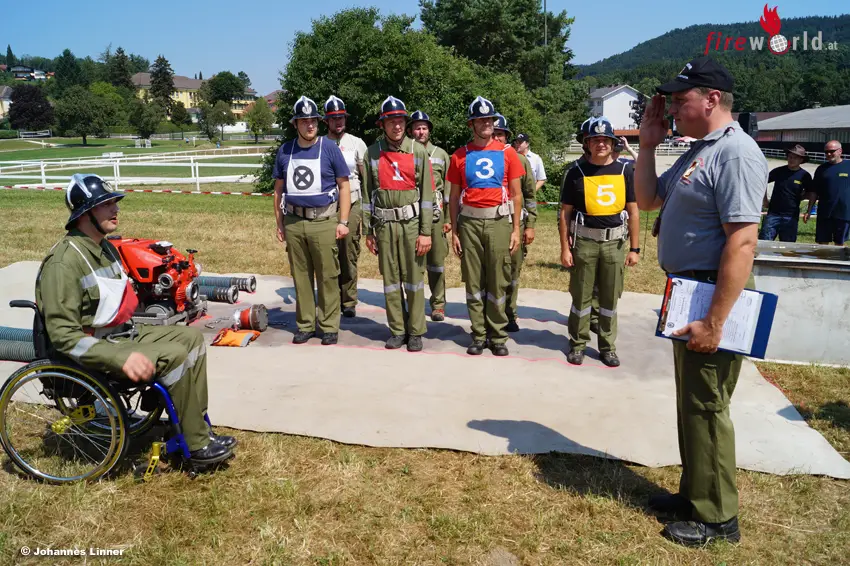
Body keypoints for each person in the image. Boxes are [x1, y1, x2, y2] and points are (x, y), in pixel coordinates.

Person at [634, 56, 767, 547]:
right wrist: (647, 146)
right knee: (693, 401)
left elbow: (743, 241)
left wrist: (715, 321)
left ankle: (717, 518)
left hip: (713, 295)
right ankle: (695, 492)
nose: (671, 107)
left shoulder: (735, 153)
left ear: (711, 99)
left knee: (708, 405)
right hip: (688, 292)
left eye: (679, 99)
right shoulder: (701, 150)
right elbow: (648, 200)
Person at [35, 174, 237, 467]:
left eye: (115, 202)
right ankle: (196, 445)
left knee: (192, 338)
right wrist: (119, 359)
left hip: (119, 333)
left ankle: (193, 427)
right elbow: (64, 336)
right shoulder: (64, 263)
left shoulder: (104, 248)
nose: (115, 209)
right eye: (106, 204)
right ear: (85, 213)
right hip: (95, 348)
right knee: (175, 355)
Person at [558, 116, 640, 367]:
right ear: (587, 143)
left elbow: (633, 211)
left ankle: (607, 346)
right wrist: (565, 248)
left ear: (613, 143)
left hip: (614, 244)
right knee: (581, 297)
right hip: (585, 243)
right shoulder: (576, 172)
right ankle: (578, 344)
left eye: (605, 140)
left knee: (609, 298)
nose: (600, 144)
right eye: (595, 140)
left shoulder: (625, 171)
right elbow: (564, 213)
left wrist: (635, 248)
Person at [446, 96, 523, 356]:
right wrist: (454, 231)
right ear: (472, 124)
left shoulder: (508, 153)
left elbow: (517, 195)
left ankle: (498, 335)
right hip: (469, 223)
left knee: (498, 279)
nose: (487, 123)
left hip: (498, 222)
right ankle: (478, 334)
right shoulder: (459, 155)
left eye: (489, 119)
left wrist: (516, 229)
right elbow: (453, 197)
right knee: (474, 280)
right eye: (481, 120)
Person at [273, 96, 351, 345]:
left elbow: (344, 185)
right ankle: (305, 324)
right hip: (294, 222)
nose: (310, 125)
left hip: (324, 222)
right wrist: (280, 223)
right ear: (295, 124)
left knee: (328, 275)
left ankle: (328, 326)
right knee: (301, 276)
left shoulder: (329, 148)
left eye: (313, 121)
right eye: (304, 121)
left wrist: (343, 221)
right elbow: (278, 191)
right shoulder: (285, 151)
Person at [362, 96, 434, 351]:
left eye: (401, 121)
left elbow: (427, 196)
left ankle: (415, 331)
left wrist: (426, 232)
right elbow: (367, 195)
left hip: (411, 225)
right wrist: (368, 231)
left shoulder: (418, 151)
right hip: (384, 226)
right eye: (391, 121)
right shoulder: (372, 153)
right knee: (391, 281)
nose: (397, 126)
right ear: (383, 125)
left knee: (414, 280)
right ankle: (397, 330)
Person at [323, 95, 369, 317]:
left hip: (352, 200)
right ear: (326, 121)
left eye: (341, 117)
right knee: (328, 251)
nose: (338, 122)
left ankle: (348, 300)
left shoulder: (356, 143)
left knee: (348, 249)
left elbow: (366, 177)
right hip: (327, 203)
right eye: (334, 118)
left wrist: (368, 207)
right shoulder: (320, 143)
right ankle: (331, 296)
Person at [492, 114, 537, 332]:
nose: (496, 138)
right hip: (490, 222)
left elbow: (530, 195)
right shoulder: (479, 158)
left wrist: (530, 225)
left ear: (507, 136)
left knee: (512, 272)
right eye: (493, 134)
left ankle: (510, 314)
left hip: (513, 222)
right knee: (491, 272)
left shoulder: (520, 160)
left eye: (500, 134)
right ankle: (491, 313)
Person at [407, 110, 451, 322]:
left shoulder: (441, 154)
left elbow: (449, 189)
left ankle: (438, 305)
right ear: (410, 131)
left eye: (424, 128)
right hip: (412, 212)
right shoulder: (405, 152)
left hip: (435, 213)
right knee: (413, 262)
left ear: (429, 131)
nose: (421, 132)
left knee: (436, 262)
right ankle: (414, 304)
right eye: (417, 128)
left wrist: (448, 219)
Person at [760, 144, 812, 242]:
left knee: (788, 245)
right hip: (773, 214)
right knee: (764, 242)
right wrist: (765, 200)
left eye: (795, 158)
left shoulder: (805, 176)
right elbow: (762, 181)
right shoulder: (778, 171)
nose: (791, 159)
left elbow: (810, 192)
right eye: (790, 157)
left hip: (791, 216)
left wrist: (800, 197)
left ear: (801, 160)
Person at [805, 140, 850, 245]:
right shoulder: (821, 169)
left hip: (843, 213)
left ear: (840, 151)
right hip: (824, 213)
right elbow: (814, 192)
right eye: (826, 152)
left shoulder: (848, 166)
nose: (828, 154)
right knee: (822, 243)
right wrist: (809, 210)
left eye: (832, 151)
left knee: (839, 245)